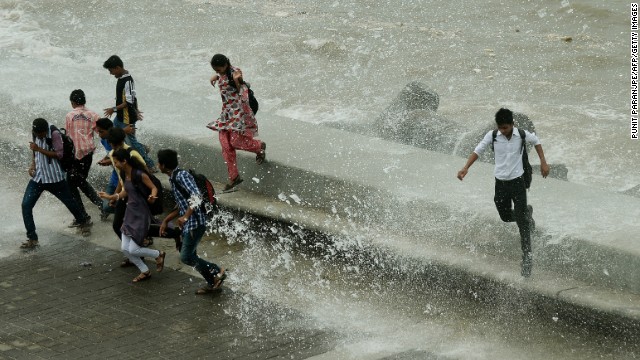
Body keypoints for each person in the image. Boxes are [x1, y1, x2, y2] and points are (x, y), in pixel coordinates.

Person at [456, 108, 550, 277]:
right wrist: (465, 168)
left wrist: (543, 163)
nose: (503, 131)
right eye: (501, 128)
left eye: (506, 128)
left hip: (518, 183)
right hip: (500, 184)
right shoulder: (492, 136)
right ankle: (527, 214)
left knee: (522, 223)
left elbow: (536, 141)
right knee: (505, 216)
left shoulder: (521, 135)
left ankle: (527, 258)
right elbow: (478, 151)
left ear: (512, 124)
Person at [157, 149, 226, 293]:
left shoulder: (181, 176)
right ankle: (212, 282)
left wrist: (186, 217)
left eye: (158, 162)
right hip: (190, 223)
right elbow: (181, 206)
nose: (157, 165)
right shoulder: (173, 177)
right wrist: (166, 220)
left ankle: (217, 270)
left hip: (195, 222)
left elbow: (196, 197)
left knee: (186, 256)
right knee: (191, 256)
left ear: (163, 165)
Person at [20, 118, 93, 249]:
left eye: (40, 134)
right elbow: (34, 152)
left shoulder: (54, 134)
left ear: (45, 131)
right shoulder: (35, 132)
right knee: (26, 205)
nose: (39, 136)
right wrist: (32, 165)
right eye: (36, 134)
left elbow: (59, 154)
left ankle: (83, 222)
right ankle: (32, 238)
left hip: (55, 178)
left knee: (70, 202)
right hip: (38, 178)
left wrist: (39, 149)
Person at [98, 148, 166, 282]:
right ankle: (145, 271)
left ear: (124, 161)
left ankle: (158, 254)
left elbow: (154, 187)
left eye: (116, 162)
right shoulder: (124, 174)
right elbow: (125, 192)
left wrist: (152, 196)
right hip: (130, 213)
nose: (115, 164)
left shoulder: (139, 174)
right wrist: (111, 196)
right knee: (125, 248)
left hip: (141, 214)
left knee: (134, 250)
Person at [207, 54, 266, 191]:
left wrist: (237, 81)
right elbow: (224, 77)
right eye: (216, 70)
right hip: (226, 113)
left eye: (219, 70)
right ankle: (234, 177)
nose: (218, 72)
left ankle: (259, 146)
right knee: (225, 144)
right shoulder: (223, 73)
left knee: (235, 142)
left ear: (226, 65)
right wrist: (217, 76)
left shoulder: (235, 74)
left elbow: (242, 91)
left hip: (239, 113)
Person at [102, 55, 157, 172]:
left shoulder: (128, 81)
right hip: (121, 116)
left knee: (132, 142)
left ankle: (150, 164)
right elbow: (132, 98)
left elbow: (129, 101)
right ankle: (141, 149)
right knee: (114, 135)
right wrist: (136, 110)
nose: (111, 73)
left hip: (126, 118)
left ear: (117, 67)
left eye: (111, 71)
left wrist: (114, 109)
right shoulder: (121, 79)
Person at [65, 89, 104, 223]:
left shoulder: (70, 115)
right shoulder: (93, 115)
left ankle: (83, 216)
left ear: (73, 102)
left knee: (72, 184)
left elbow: (68, 137)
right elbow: (102, 133)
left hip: (74, 154)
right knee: (79, 182)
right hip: (87, 154)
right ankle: (100, 206)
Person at [95, 117, 119, 219]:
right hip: (114, 178)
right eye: (98, 132)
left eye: (101, 132)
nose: (99, 135)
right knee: (105, 206)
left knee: (107, 206)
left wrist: (109, 162)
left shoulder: (120, 141)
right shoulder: (104, 140)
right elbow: (110, 154)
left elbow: (123, 159)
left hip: (123, 180)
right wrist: (105, 159)